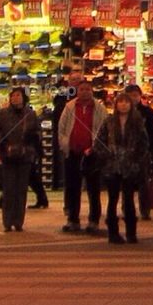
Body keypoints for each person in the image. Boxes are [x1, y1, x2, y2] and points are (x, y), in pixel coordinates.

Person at [95, 91, 150, 245]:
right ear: (116, 104)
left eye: (127, 102)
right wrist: (106, 156)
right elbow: (99, 141)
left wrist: (137, 159)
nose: (124, 105)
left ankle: (131, 232)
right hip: (112, 166)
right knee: (112, 199)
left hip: (130, 166)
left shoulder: (137, 122)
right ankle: (113, 232)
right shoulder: (109, 121)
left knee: (129, 199)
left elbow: (144, 143)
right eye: (121, 102)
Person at [57, 77, 107, 235]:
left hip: (92, 154)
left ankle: (94, 221)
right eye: (82, 89)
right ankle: (73, 219)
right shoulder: (70, 107)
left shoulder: (99, 108)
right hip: (73, 153)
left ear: (92, 91)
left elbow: (104, 129)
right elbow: (62, 128)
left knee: (93, 188)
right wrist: (65, 144)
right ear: (77, 91)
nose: (85, 92)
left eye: (87, 89)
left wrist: (96, 147)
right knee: (72, 188)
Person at [0, 88, 40, 233]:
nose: (15, 98)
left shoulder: (30, 114)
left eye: (18, 95)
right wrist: (4, 145)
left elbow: (36, 132)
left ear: (24, 98)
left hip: (25, 156)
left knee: (21, 189)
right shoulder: (2, 114)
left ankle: (19, 221)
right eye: (13, 96)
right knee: (9, 188)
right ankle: (7, 221)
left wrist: (29, 147)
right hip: (8, 155)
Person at [124, 84, 153, 221]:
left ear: (140, 96)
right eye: (129, 95)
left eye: (135, 95)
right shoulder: (123, 112)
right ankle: (127, 209)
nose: (132, 98)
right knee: (126, 182)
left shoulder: (147, 112)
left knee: (143, 182)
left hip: (143, 152)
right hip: (126, 152)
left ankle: (145, 210)